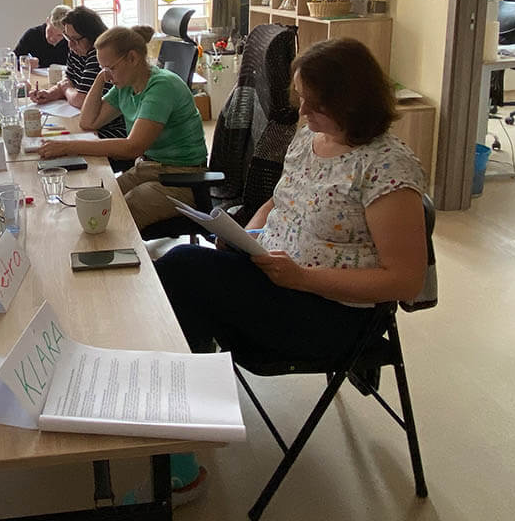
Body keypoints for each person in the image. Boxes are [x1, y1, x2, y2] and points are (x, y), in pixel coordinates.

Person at [151, 37, 428, 501]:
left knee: (180, 270)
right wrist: (244, 232)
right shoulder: (310, 137)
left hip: (327, 312)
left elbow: (405, 280)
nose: (303, 112)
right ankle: (183, 422)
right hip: (276, 277)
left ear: (353, 103)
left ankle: (179, 436)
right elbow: (280, 200)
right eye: (301, 98)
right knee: (185, 281)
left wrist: (304, 277)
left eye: (315, 105)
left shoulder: (386, 168)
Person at [39, 26, 208, 230]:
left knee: (113, 216)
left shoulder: (162, 87)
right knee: (99, 200)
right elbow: (88, 122)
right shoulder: (126, 85)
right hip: (150, 168)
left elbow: (132, 147)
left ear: (132, 58)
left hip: (183, 178)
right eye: (104, 69)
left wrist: (68, 147)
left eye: (111, 68)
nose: (109, 76)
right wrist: (101, 77)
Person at [30, 6, 126, 139]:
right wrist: (49, 94)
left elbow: (81, 100)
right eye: (67, 38)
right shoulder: (76, 49)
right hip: (87, 121)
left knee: (61, 141)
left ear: (92, 36)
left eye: (75, 39)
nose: (70, 45)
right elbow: (68, 80)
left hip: (108, 128)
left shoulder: (99, 55)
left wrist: (66, 89)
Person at [13, 4, 70, 70]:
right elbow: (13, 60)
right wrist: (25, 63)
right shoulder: (32, 35)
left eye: (59, 35)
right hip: (36, 76)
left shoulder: (71, 41)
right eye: (50, 31)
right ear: (47, 21)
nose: (52, 38)